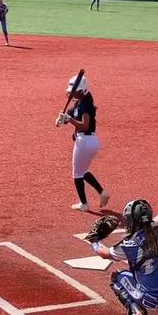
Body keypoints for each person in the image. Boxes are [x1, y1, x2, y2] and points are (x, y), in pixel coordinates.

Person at [55, 74, 110, 212]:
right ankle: (102, 192)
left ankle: (83, 204)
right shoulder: (79, 103)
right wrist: (61, 119)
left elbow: (84, 125)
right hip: (90, 141)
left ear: (82, 90)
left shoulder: (85, 105)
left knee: (77, 173)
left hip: (84, 141)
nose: (72, 94)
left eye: (75, 92)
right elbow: (67, 117)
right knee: (83, 171)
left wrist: (69, 120)